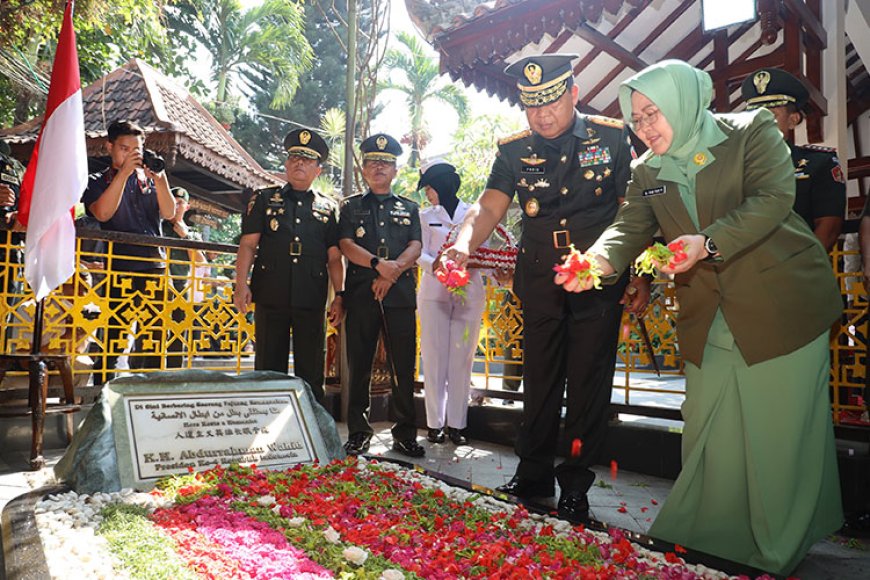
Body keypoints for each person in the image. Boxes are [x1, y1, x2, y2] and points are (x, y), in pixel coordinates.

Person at [563, 60, 843, 575]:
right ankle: (707, 537)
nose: (645, 126)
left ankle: (776, 548)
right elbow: (629, 226)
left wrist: (708, 242)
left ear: (683, 101)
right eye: (636, 117)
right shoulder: (647, 170)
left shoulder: (751, 131)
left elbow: (774, 198)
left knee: (779, 432)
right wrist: (596, 262)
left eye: (653, 113)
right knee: (709, 429)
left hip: (781, 306)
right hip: (709, 312)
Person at [438, 54, 650, 523]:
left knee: (588, 386)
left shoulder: (612, 138)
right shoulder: (514, 150)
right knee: (540, 380)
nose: (541, 115)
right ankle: (532, 473)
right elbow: (488, 206)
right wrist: (462, 244)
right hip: (539, 280)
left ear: (573, 93)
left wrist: (641, 274)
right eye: (531, 106)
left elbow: (634, 212)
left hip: (598, 279)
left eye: (551, 102)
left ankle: (575, 483)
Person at [234, 128, 344, 404]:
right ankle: (265, 423)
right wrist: (240, 284)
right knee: (268, 368)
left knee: (310, 371)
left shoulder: (329, 208)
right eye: (295, 157)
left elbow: (334, 257)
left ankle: (312, 427)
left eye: (307, 160)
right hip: (272, 292)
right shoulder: (263, 199)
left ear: (317, 170)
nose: (299, 163)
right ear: (285, 163)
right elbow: (248, 245)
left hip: (311, 295)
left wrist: (339, 296)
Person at [338, 133, 424, 458]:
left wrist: (393, 271)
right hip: (362, 293)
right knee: (358, 365)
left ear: (395, 170)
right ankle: (359, 432)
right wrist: (378, 265)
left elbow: (415, 246)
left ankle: (405, 434)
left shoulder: (410, 208)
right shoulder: (350, 207)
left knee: (403, 366)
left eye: (386, 163)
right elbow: (346, 244)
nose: (379, 168)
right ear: (364, 168)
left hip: (399, 294)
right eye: (373, 162)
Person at [81, 120, 176, 382]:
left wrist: (161, 178)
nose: (132, 155)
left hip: (155, 267)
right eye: (125, 149)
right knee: (113, 339)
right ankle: (103, 397)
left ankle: (149, 397)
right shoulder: (97, 180)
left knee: (154, 340)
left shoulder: (150, 178)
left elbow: (169, 213)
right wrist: (123, 174)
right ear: (109, 146)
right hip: (119, 267)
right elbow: (102, 212)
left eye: (138, 150)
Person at [417, 160, 486, 446]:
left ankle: (457, 425)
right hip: (434, 291)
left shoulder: (475, 213)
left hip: (469, 291)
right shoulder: (424, 216)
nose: (429, 194)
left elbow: (484, 251)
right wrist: (439, 268)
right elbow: (418, 251)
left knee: (462, 359)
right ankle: (435, 424)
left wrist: (499, 270)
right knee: (434, 359)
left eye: (431, 188)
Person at [741, 68, 846, 252]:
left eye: (771, 115)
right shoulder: (735, 166)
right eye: (754, 116)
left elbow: (828, 228)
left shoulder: (818, 163)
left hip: (797, 270)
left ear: (793, 120)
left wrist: (802, 269)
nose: (761, 122)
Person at [163, 187, 206, 369]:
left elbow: (200, 262)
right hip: (157, 284)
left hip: (180, 287)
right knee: (149, 333)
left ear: (187, 207)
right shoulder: (157, 226)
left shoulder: (193, 234)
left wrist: (185, 236)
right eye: (172, 201)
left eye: (180, 203)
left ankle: (174, 375)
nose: (176, 205)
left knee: (178, 334)